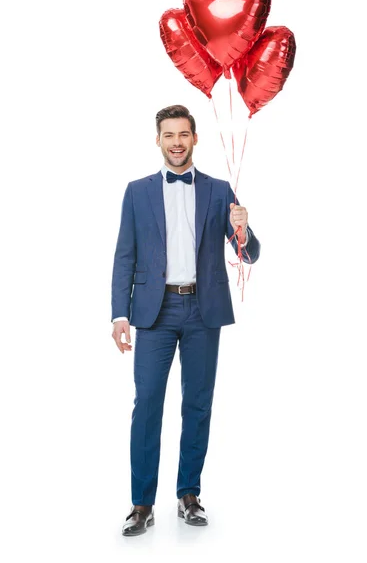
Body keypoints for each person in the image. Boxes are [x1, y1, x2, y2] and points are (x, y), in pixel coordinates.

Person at [111, 104, 261, 536]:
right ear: (157, 140)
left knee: (197, 405)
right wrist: (120, 312)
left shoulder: (218, 190)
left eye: (183, 134)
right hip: (153, 313)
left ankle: (188, 495)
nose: (176, 142)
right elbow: (125, 255)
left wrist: (243, 229)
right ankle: (142, 504)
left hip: (203, 311)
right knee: (147, 407)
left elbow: (248, 254)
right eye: (168, 135)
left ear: (195, 138)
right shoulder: (137, 191)